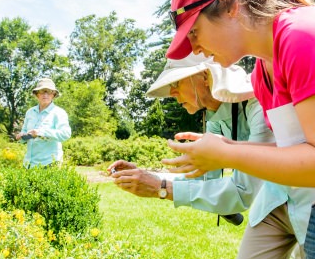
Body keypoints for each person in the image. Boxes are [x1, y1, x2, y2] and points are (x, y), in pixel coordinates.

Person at [162, 0, 315, 259]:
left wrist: (228, 155)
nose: (195, 48)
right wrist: (226, 146)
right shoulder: (261, 73)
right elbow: (295, 148)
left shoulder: (301, 37)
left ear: (230, 6)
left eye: (194, 32)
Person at [109, 53, 274, 228]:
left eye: (176, 83)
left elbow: (241, 193)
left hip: (299, 201)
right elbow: (204, 181)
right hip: (269, 207)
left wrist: (160, 188)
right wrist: (146, 177)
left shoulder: (257, 106)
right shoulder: (215, 121)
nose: (172, 93)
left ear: (205, 76)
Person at [16, 78, 71, 168]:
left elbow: (66, 134)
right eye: (42, 91)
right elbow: (25, 132)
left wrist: (41, 132)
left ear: (53, 95)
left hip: (50, 164)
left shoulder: (59, 112)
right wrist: (21, 136)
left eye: (48, 92)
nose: (45, 95)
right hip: (28, 164)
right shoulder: (30, 112)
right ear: (37, 94)